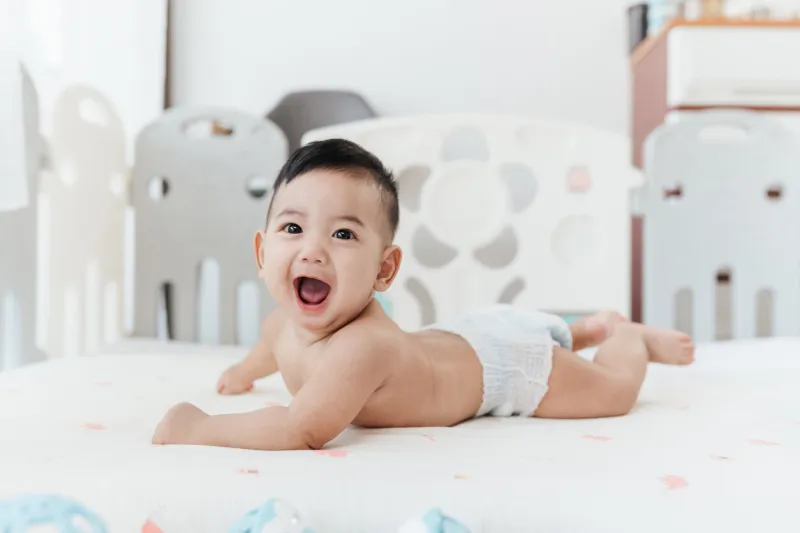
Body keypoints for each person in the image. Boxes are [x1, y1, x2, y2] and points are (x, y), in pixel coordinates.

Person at [152, 139, 694, 450]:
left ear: (385, 269)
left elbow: (303, 427)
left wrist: (200, 427)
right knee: (543, 336)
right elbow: (272, 344)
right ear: (261, 251)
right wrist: (248, 372)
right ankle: (582, 328)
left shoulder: (362, 348)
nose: (312, 250)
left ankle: (627, 337)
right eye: (292, 229)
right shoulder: (285, 321)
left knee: (614, 391)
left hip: (509, 367)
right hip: (463, 335)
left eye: (343, 234)